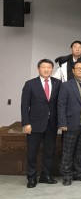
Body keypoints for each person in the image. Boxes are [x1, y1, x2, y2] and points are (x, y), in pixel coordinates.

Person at [20, 59, 61, 188]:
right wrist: (26, 123)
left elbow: (60, 104)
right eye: (44, 67)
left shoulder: (58, 83)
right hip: (34, 124)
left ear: (52, 69)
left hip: (52, 124)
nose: (46, 69)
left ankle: (45, 175)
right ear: (38, 69)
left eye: (49, 67)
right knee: (32, 152)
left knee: (49, 151)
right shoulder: (30, 84)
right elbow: (24, 106)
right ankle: (31, 177)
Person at [58, 60, 81, 185]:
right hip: (71, 123)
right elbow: (61, 105)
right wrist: (62, 122)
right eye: (78, 68)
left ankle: (79, 173)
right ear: (73, 71)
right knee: (68, 151)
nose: (80, 70)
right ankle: (66, 175)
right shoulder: (66, 85)